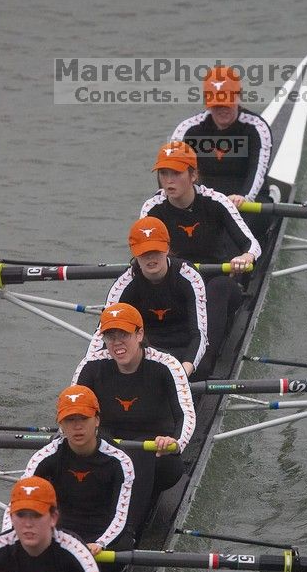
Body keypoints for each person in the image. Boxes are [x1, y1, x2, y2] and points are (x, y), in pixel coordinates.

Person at [72, 302, 196, 539]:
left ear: (140, 334)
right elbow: (72, 410)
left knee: (140, 454)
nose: (117, 343)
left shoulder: (166, 365)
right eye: (110, 336)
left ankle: (126, 532)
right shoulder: (91, 366)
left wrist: (175, 441)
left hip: (158, 457)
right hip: (110, 450)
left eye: (124, 335)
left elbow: (186, 414)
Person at [140, 140, 262, 373]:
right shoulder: (152, 209)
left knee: (219, 288)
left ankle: (203, 366)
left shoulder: (216, 201)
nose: (168, 181)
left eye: (175, 173)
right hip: (178, 282)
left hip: (216, 281)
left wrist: (245, 257)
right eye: (163, 174)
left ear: (193, 175)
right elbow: (145, 252)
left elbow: (252, 244)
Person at [3, 386, 134, 558]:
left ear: (97, 420)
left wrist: (100, 543)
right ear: (61, 424)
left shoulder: (119, 461)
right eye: (70, 419)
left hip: (104, 537)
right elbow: (16, 503)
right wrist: (7, 541)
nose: (77, 426)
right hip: (61, 535)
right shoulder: (45, 457)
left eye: (83, 418)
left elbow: (120, 516)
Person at [85, 216, 208, 378]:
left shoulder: (189, 275)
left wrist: (183, 372)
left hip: (184, 349)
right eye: (144, 253)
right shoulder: (124, 284)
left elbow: (199, 334)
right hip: (146, 351)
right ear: (134, 253)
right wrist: (86, 371)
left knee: (204, 366)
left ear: (167, 248)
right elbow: (101, 334)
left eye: (155, 251)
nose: (150, 258)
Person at [171, 65, 273, 236]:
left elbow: (256, 171)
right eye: (217, 104)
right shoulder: (188, 130)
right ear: (207, 102)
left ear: (238, 97)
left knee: (237, 232)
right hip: (204, 200)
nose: (222, 109)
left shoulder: (256, 128)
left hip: (245, 201)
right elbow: (170, 170)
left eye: (227, 103)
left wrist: (244, 197)